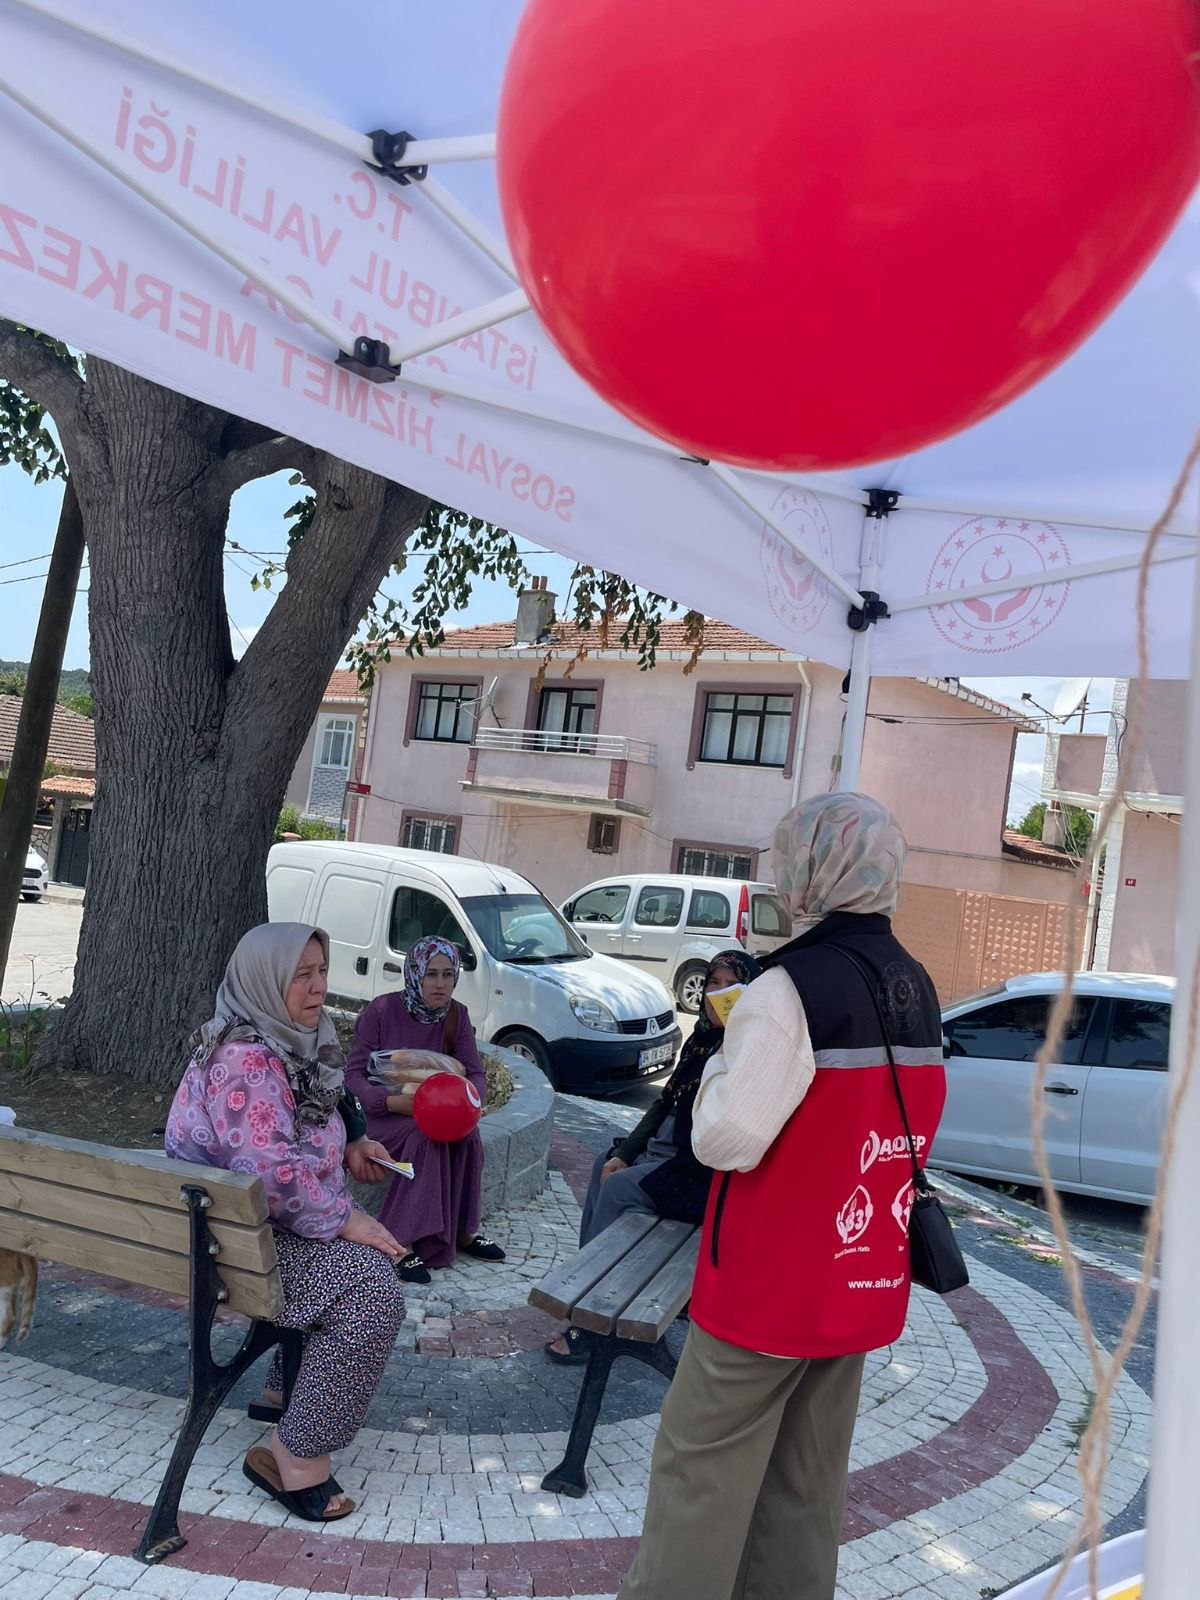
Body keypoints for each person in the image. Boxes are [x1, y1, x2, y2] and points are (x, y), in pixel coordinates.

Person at [618, 793, 948, 1600]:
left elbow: (724, 1138)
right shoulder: (918, 985)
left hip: (770, 1285)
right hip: (860, 1273)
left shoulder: (787, 989)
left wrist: (723, 1059)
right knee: (806, 1486)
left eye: (788, 858)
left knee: (699, 1473)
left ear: (814, 871)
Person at [165, 923, 406, 1524]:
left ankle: (285, 1390)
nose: (318, 986)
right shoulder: (246, 1060)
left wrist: (352, 1145)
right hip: (233, 1249)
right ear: (265, 981)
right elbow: (270, 1174)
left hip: (245, 1232)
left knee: (360, 1265)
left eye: (321, 971)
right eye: (301, 975)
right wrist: (344, 1218)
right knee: (372, 1292)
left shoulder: (284, 1042)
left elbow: (297, 1133)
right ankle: (294, 1455)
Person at [545, 948, 761, 1364]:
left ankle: (589, 1324)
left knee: (617, 1190)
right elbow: (663, 1103)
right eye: (712, 984)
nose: (718, 995)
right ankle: (586, 1286)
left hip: (697, 1172)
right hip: (668, 1153)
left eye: (731, 986)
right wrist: (627, 1153)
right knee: (604, 1165)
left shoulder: (745, 1053)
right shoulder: (699, 1041)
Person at [345, 936, 505, 1283]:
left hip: (437, 1113)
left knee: (469, 1136)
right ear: (414, 973)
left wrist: (469, 1102)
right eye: (431, 974)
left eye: (448, 974)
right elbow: (353, 1076)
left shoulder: (456, 1016)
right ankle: (401, 1243)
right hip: (384, 1116)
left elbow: (474, 1073)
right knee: (425, 1139)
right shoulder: (381, 1012)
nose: (440, 984)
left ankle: (463, 1231)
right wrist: (388, 1101)